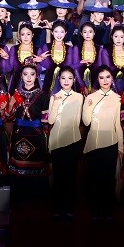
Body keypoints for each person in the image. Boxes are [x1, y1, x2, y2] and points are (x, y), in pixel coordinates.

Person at [82, 66, 123, 220]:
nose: (105, 80)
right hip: (93, 143)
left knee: (109, 179)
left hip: (111, 143)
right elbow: (86, 122)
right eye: (101, 77)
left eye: (108, 77)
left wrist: (121, 147)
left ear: (112, 78)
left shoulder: (118, 99)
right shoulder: (92, 97)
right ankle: (95, 211)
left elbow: (118, 125)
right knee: (94, 179)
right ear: (97, 80)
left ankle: (108, 211)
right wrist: (87, 104)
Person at [48, 66, 83, 217]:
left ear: (74, 80)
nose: (66, 81)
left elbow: (78, 120)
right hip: (57, 141)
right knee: (58, 177)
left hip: (73, 140)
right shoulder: (54, 96)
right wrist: (56, 103)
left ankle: (69, 209)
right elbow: (50, 120)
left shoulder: (79, 97)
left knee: (70, 176)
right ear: (59, 79)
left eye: (69, 78)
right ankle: (58, 209)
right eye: (63, 78)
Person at [7, 60, 50, 176]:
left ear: (36, 76)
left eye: (32, 74)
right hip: (18, 132)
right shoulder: (16, 94)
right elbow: (9, 116)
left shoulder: (43, 95)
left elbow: (45, 120)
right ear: (21, 76)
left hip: (36, 134)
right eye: (25, 74)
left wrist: (45, 137)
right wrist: (10, 104)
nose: (29, 77)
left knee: (35, 167)